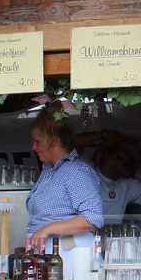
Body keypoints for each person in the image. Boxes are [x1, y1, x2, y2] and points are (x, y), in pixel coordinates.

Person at [25, 108, 104, 252]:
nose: (33, 147)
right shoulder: (49, 170)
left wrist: (48, 229)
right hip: (48, 252)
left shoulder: (77, 172)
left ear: (53, 141)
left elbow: (92, 218)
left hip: (68, 253)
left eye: (37, 141)